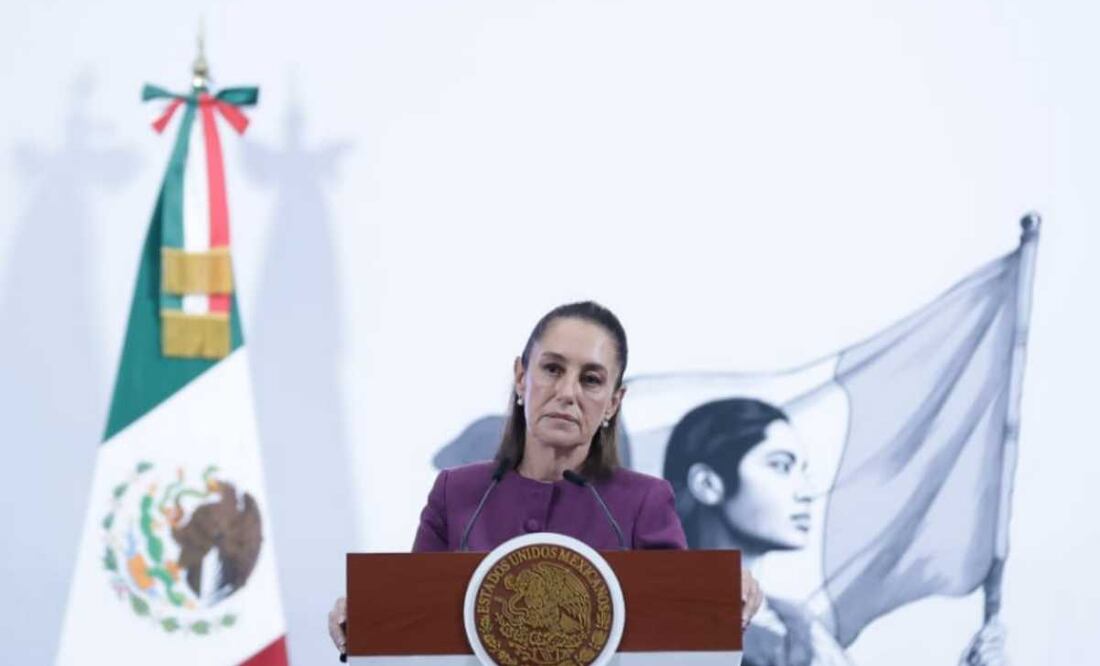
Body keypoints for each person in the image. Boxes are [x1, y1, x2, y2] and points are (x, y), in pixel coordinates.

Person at [328, 301, 763, 658]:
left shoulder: (644, 501)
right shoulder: (455, 493)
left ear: (613, 402)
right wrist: (364, 621)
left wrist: (725, 597)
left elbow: (680, 634)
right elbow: (415, 626)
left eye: (591, 379)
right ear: (522, 377)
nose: (567, 392)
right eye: (552, 369)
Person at [663, 398, 1005, 666]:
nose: (806, 490)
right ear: (708, 484)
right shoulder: (653, 613)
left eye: (803, 470)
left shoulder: (795, 626)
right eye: (781, 465)